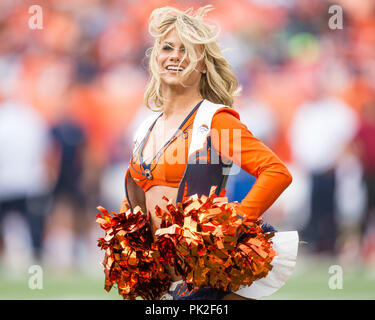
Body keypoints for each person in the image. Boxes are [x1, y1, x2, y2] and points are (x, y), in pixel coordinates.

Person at [120, 5, 296, 300]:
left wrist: (233, 224)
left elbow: (276, 172)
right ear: (155, 58)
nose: (175, 56)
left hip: (204, 280)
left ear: (202, 64)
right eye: (167, 47)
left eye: (186, 50)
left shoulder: (214, 119)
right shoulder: (145, 127)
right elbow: (137, 204)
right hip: (165, 284)